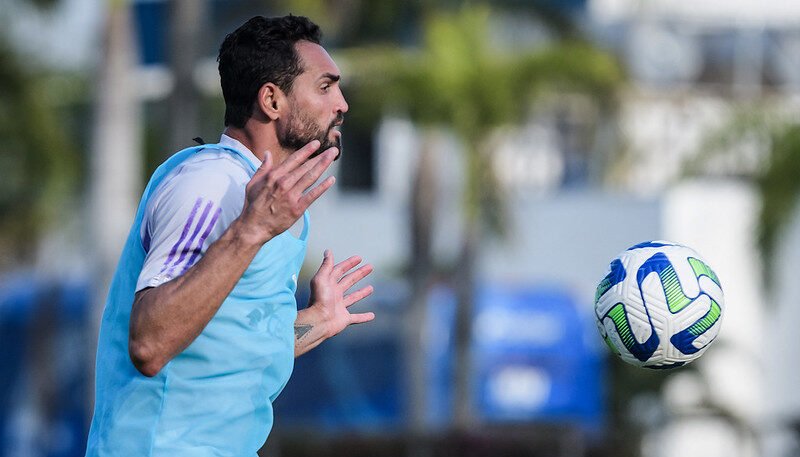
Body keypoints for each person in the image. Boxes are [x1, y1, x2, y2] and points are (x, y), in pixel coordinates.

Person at [85, 15, 374, 456]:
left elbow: (226, 348)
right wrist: (251, 230)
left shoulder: (277, 208)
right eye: (325, 86)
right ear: (272, 100)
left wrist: (318, 321)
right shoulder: (212, 182)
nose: (342, 103)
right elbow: (149, 343)